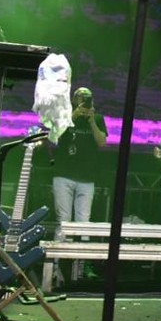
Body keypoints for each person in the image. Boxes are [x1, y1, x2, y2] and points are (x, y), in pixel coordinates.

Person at [50, 86, 108, 279]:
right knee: (64, 220)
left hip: (87, 177)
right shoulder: (65, 114)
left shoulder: (97, 118)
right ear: (74, 99)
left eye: (87, 98)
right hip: (64, 174)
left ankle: (82, 267)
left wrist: (91, 122)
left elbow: (102, 142)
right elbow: (55, 135)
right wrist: (73, 116)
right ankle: (57, 267)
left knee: (84, 222)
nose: (83, 101)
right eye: (80, 97)